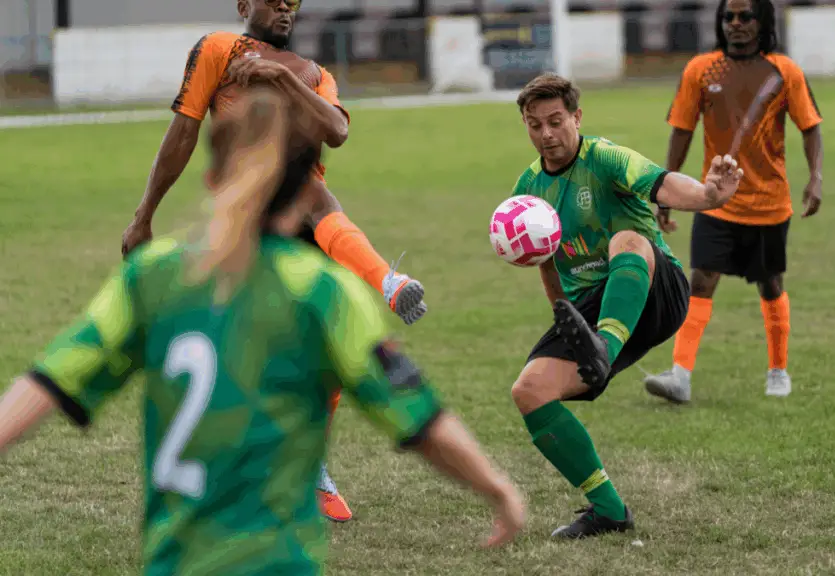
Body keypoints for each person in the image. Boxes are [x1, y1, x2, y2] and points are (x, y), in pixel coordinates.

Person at [0, 87, 524, 576]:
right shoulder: (321, 290)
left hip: (173, 561)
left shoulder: (152, 275)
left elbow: (49, 380)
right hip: (277, 560)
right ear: (308, 198)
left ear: (211, 178)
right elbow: (419, 418)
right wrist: (497, 488)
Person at [119, 0, 430, 521]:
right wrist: (144, 214)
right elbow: (183, 130)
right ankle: (384, 278)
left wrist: (280, 81)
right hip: (245, 219)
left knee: (323, 351)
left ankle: (308, 470)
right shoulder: (219, 49)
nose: (286, 5)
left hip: (303, 228)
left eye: (294, 0)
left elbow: (338, 130)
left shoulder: (313, 73)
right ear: (244, 4)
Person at [506, 73, 743, 539]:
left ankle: (604, 349)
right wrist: (565, 316)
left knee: (627, 238)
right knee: (529, 391)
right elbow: (547, 264)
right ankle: (608, 510)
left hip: (655, 285)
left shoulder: (605, 158)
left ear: (576, 116)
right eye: (535, 125)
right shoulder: (527, 188)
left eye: (556, 121)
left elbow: (663, 185)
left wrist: (710, 195)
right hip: (591, 311)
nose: (546, 134)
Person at [644, 0, 824, 403]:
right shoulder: (700, 70)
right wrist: (665, 190)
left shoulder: (784, 71)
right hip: (716, 200)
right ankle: (680, 376)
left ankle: (778, 370)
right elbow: (682, 132)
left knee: (769, 283)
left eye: (746, 16)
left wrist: (815, 177)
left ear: (762, 22)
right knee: (701, 280)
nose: (737, 24)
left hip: (769, 204)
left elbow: (810, 128)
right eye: (729, 16)